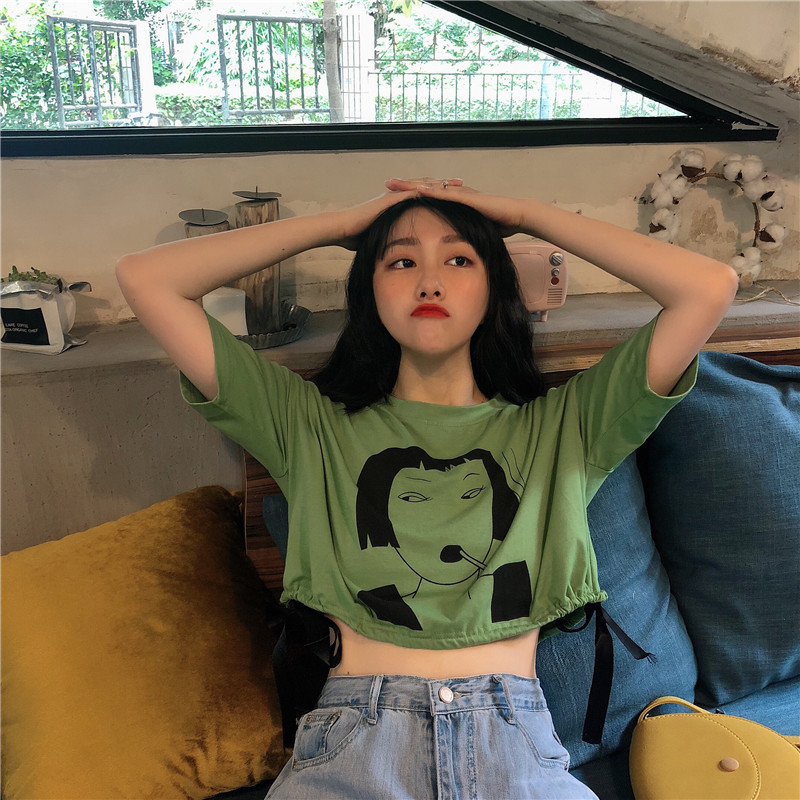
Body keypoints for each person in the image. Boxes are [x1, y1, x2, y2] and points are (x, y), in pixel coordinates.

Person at [117, 177, 738, 799]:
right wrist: (340, 226)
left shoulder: (567, 429)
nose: (430, 282)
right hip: (354, 750)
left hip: (514, 752)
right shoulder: (308, 429)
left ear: (494, 286)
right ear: (370, 290)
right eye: (402, 262)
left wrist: (523, 214)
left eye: (460, 260)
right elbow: (148, 280)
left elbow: (707, 288)